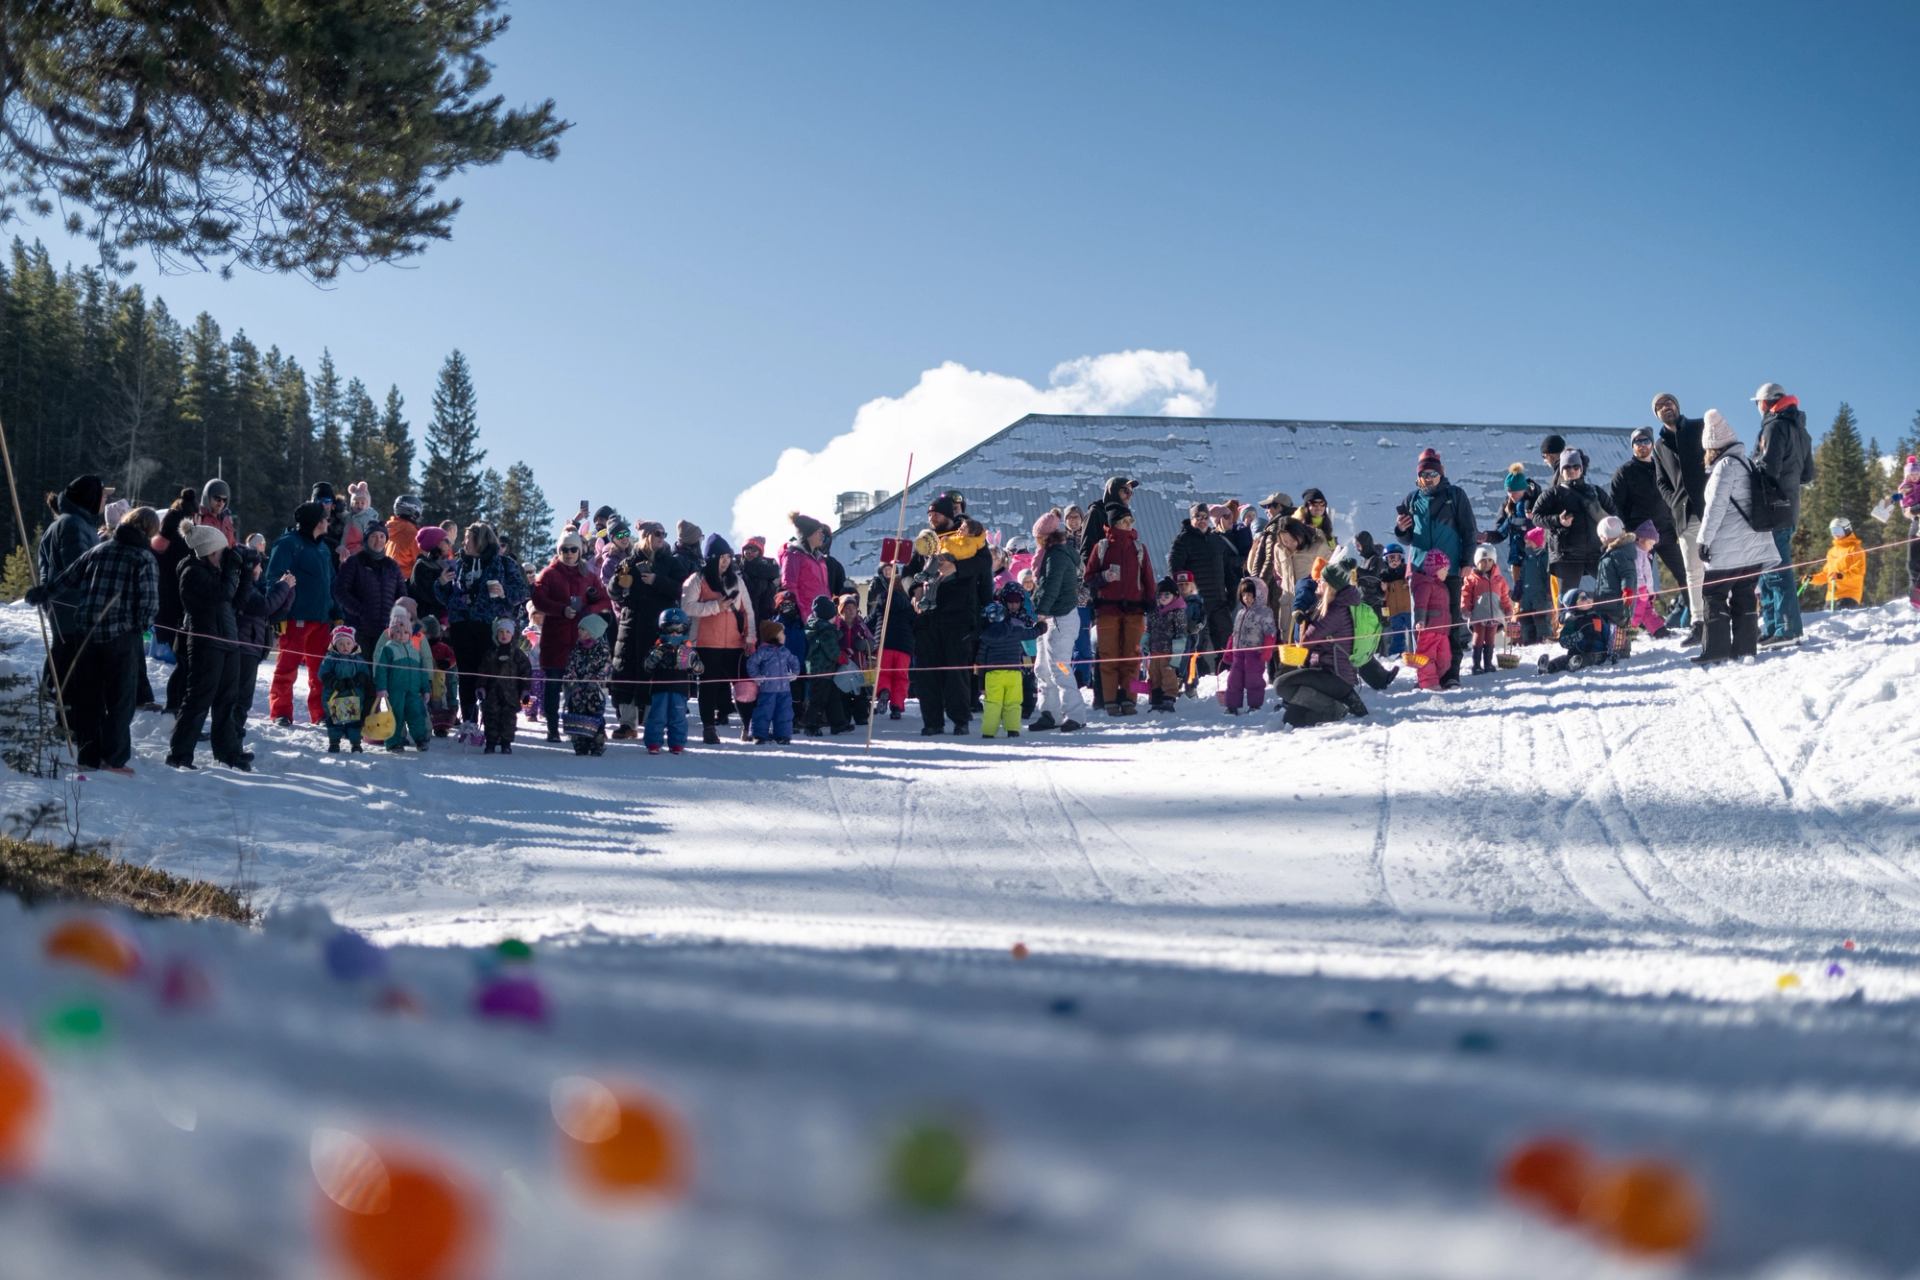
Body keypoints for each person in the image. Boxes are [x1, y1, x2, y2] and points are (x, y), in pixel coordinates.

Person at [25, 505, 157, 773]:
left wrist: (42, 593)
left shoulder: (98, 550)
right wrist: (141, 626)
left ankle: (88, 755)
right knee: (121, 700)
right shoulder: (143, 558)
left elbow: (66, 578)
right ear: (149, 531)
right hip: (121, 637)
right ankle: (114, 758)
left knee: (89, 697)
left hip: (86, 635)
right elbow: (149, 604)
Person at [1694, 408, 1780, 665]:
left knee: (1713, 595)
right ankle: (1745, 648)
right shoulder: (1747, 463)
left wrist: (1703, 540)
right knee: (1744, 595)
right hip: (1754, 546)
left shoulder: (1725, 467)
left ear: (1712, 446)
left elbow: (1715, 508)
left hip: (1727, 549)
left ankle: (1716, 650)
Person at [169, 523, 250, 770]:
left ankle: (229, 752)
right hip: (206, 642)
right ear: (210, 551)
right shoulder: (192, 572)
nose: (224, 556)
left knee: (227, 700)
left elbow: (237, 601)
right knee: (198, 699)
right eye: (221, 552)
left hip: (228, 640)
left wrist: (244, 573)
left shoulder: (216, 572)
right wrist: (232, 570)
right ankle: (180, 754)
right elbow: (222, 594)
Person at [1393, 448, 1477, 688]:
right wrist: (1401, 528)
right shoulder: (1411, 499)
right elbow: (1407, 539)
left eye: (1432, 473)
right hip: (1419, 570)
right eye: (1424, 474)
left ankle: (1450, 672)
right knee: (1420, 623)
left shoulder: (1455, 495)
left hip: (1448, 571)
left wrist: (1467, 562)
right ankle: (1425, 673)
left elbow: (1469, 530)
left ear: (1441, 474)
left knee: (1448, 622)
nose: (1428, 478)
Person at [444, 521, 530, 727]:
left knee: (490, 675)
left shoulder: (504, 563)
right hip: (462, 625)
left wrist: (504, 593)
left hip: (490, 626)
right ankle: (469, 723)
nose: (464, 543)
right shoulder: (458, 563)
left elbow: (524, 592)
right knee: (466, 676)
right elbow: (446, 597)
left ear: (480, 541)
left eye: (468, 539)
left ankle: (492, 722)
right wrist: (441, 584)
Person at [34, 474, 107, 713]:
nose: (105, 501)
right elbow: (76, 568)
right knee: (70, 659)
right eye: (102, 496)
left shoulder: (76, 522)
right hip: (71, 606)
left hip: (66, 605)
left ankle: (58, 701)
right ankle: (65, 715)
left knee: (66, 654)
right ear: (90, 498)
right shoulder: (72, 524)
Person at [532, 531, 613, 741]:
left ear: (580, 551)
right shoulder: (549, 574)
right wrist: (560, 610)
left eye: (572, 549)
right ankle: (552, 728)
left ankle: (578, 728)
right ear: (559, 551)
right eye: (564, 549)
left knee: (578, 688)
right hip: (555, 641)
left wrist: (589, 609)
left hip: (582, 643)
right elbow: (538, 599)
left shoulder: (589, 575)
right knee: (553, 686)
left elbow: (605, 601)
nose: (568, 554)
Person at [1752, 382, 1816, 646]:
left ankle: (1787, 629)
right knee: (1769, 569)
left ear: (1765, 403)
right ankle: (1773, 626)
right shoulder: (1801, 430)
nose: (1757, 408)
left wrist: (1750, 467)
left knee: (1776, 569)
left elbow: (1767, 467)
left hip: (1772, 508)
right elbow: (1808, 475)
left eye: (1757, 403)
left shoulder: (1774, 425)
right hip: (1789, 509)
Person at [265, 500, 338, 726]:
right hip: (295, 617)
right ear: (316, 522)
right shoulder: (288, 544)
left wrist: (337, 612)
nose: (328, 522)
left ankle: (321, 713)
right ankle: (281, 712)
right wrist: (277, 614)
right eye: (325, 519)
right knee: (287, 667)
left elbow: (331, 583)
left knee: (321, 673)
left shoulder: (323, 548)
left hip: (322, 619)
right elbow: (273, 578)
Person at [609, 522, 684, 737]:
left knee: (654, 673)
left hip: (658, 626)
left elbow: (681, 589)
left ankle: (654, 724)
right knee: (625, 671)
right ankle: (627, 724)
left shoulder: (670, 562)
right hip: (630, 624)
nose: (662, 537)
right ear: (646, 536)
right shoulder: (628, 562)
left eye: (664, 533)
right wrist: (618, 583)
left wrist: (657, 581)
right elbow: (612, 592)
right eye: (657, 533)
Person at [681, 533, 754, 744]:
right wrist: (715, 606)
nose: (726, 561)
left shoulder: (736, 580)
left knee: (744, 685)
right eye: (721, 557)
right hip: (706, 642)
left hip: (735, 642)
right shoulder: (697, 580)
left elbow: (747, 610)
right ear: (711, 558)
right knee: (708, 686)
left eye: (728, 557)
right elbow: (687, 607)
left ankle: (748, 725)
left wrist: (751, 638)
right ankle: (709, 728)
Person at [1275, 563, 1369, 726]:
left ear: (1330, 586)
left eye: (1321, 580)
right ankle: (1332, 703)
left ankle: (1338, 706)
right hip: (1323, 671)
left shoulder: (1334, 612)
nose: (1317, 581)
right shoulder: (1328, 605)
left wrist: (1305, 620)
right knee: (1292, 719)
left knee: (1282, 685)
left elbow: (1306, 642)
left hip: (1335, 676)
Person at [1084, 505, 1155, 715]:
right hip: (1107, 610)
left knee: (1132, 657)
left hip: (1134, 611)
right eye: (1123, 521)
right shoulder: (1102, 547)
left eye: (1129, 522)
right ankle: (1110, 700)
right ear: (1114, 524)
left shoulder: (1139, 548)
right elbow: (1089, 578)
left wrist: (1150, 601)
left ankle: (1129, 699)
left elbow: (1148, 579)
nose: (1127, 525)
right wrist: (1105, 577)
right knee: (1108, 657)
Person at [1651, 393, 1709, 643]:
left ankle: (1728, 617)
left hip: (1712, 507)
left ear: (1677, 406)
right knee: (1693, 571)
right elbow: (1661, 481)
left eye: (1669, 403)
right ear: (1656, 414)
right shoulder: (1659, 446)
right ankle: (1699, 623)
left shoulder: (1698, 427)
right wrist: (1674, 501)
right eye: (1660, 407)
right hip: (1685, 515)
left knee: (1723, 566)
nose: (1666, 408)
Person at [1024, 511, 1088, 732]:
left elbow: (1052, 586)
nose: (1036, 540)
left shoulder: (1057, 556)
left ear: (1047, 536)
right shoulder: (1047, 555)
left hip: (1060, 618)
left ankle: (1075, 714)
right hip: (1048, 618)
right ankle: (1049, 713)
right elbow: (1042, 587)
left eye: (1038, 536)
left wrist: (1041, 611)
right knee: (1042, 668)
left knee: (1060, 666)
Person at [1610, 426, 1686, 609]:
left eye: (1645, 441)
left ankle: (1696, 615)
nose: (1642, 445)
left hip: (1666, 531)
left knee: (1685, 572)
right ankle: (1640, 620)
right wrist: (1628, 533)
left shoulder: (1662, 468)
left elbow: (1675, 496)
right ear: (1632, 446)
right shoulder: (1624, 472)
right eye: (1637, 442)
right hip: (1640, 535)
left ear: (1652, 444)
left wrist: (1677, 523)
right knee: (1639, 579)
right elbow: (1616, 505)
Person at [230, 541, 295, 748]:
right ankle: (231, 742)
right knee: (238, 700)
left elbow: (275, 612)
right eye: (257, 565)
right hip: (243, 647)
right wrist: (283, 586)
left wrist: (288, 590)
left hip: (253, 647)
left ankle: (233, 740)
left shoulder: (253, 585)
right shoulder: (242, 586)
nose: (260, 569)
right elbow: (265, 606)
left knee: (243, 700)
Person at [1168, 502, 1234, 678]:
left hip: (1219, 600)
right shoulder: (1183, 541)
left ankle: (1227, 677)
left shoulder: (1216, 540)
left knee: (1226, 641)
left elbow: (1228, 570)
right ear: (1191, 519)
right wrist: (1188, 597)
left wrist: (1232, 594)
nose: (1202, 520)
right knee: (1197, 645)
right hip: (1197, 603)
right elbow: (1176, 571)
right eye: (1198, 517)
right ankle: (1197, 679)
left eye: (1205, 517)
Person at [912, 553, 974, 735]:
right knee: (927, 676)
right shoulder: (921, 560)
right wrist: (914, 591)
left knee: (956, 676)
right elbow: (909, 576)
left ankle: (960, 720)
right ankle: (932, 721)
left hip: (956, 625)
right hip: (926, 625)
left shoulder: (964, 566)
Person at [150, 493, 197, 710]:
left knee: (184, 662)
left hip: (169, 605)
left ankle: (176, 706)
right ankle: (176, 707)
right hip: (176, 606)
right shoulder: (181, 543)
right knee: (185, 663)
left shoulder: (163, 537)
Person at [332, 523, 405, 657]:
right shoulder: (354, 562)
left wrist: (396, 617)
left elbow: (402, 595)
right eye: (374, 536)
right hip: (359, 628)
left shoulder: (392, 565)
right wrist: (359, 611)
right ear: (366, 539)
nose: (378, 540)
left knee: (380, 672)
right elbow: (340, 591)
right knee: (360, 670)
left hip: (385, 629)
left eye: (382, 536)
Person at [975, 600, 1042, 738]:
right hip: (1014, 673)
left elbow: (980, 661)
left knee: (993, 704)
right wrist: (1041, 628)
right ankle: (1013, 729)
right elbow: (1031, 634)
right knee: (1013, 702)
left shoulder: (986, 636)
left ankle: (988, 732)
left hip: (993, 675)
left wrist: (980, 683)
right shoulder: (1016, 630)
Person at [371, 603, 432, 751]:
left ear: (410, 633)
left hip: (413, 691)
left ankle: (420, 739)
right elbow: (381, 670)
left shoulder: (414, 651)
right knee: (395, 716)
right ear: (391, 633)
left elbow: (422, 671)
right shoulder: (388, 649)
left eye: (405, 632)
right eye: (397, 631)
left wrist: (426, 689)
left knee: (416, 714)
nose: (401, 635)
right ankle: (393, 742)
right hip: (395, 691)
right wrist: (381, 688)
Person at [642, 607, 703, 755]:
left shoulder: (688, 649)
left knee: (678, 716)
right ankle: (653, 742)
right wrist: (656, 655)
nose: (674, 634)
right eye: (670, 630)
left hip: (680, 688)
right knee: (657, 715)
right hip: (660, 688)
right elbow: (647, 667)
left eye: (678, 630)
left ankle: (677, 743)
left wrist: (693, 662)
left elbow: (699, 670)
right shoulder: (657, 647)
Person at [477, 616, 531, 754]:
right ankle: (491, 742)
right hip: (492, 694)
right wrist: (481, 687)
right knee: (491, 718)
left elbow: (525, 673)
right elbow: (483, 671)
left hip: (511, 695)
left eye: (507, 632)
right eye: (501, 632)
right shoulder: (490, 653)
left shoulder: (518, 654)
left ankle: (506, 743)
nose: (504, 635)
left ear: (512, 634)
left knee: (509, 719)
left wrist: (525, 691)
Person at [868, 563, 915, 721]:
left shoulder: (882, 600)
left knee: (884, 672)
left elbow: (871, 620)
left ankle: (883, 691)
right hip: (904, 645)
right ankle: (896, 707)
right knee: (900, 676)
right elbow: (915, 623)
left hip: (884, 643)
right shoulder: (908, 604)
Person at [1221, 577, 1275, 714]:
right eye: (1243, 595)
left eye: (1250, 594)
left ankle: (1255, 706)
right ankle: (1232, 706)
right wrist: (1229, 651)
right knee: (1234, 679)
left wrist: (1267, 651)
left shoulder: (1265, 612)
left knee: (1254, 680)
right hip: (1238, 653)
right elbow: (1235, 633)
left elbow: (1270, 633)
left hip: (1255, 654)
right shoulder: (1240, 613)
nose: (1246, 598)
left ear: (1259, 594)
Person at [562, 611, 612, 756]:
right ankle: (579, 743)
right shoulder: (577, 648)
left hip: (593, 691)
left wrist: (594, 678)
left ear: (593, 632)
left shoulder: (602, 650)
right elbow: (570, 664)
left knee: (594, 717)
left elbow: (606, 667)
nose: (579, 631)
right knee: (576, 715)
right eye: (579, 628)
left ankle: (597, 743)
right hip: (577, 691)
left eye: (583, 629)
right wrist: (570, 677)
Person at [318, 626, 374, 754]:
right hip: (335, 695)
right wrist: (334, 682)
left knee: (354, 722)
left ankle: (355, 743)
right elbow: (323, 673)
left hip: (353, 695)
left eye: (348, 643)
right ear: (334, 644)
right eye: (341, 643)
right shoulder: (330, 659)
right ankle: (334, 742)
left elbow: (365, 674)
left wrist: (357, 680)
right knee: (334, 721)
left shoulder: (358, 660)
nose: (345, 646)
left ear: (353, 644)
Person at [801, 595, 852, 735]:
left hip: (815, 669)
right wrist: (840, 656)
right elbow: (831, 650)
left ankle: (838, 722)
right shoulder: (826, 631)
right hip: (823, 670)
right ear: (828, 615)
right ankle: (810, 725)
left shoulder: (813, 627)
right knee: (819, 698)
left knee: (832, 695)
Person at [1461, 544, 1514, 675]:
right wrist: (1465, 608)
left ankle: (1488, 663)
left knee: (1490, 638)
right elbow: (1466, 595)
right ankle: (1476, 664)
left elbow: (1504, 596)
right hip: (1478, 616)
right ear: (1477, 562)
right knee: (1478, 637)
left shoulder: (1499, 579)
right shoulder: (1471, 579)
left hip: (1494, 615)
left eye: (1490, 560)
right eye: (1483, 561)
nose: (1487, 563)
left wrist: (1508, 609)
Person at [1537, 589, 1616, 675]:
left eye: (1588, 596)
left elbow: (1607, 634)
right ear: (1574, 605)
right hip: (1577, 652)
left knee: (1584, 659)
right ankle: (1547, 667)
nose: (1588, 599)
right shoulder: (1572, 621)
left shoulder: (1596, 617)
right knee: (1563, 659)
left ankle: (1573, 664)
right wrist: (1573, 638)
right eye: (1583, 598)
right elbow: (1563, 640)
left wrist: (1611, 651)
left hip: (1598, 654)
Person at [746, 619, 800, 744]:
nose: (785, 636)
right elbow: (752, 663)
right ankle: (759, 735)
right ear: (774, 636)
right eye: (782, 633)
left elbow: (794, 661)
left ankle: (783, 736)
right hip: (767, 690)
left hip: (784, 690)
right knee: (764, 713)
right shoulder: (764, 651)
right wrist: (756, 676)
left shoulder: (784, 651)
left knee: (784, 713)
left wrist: (794, 674)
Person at [1409, 549, 1452, 691]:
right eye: (1444, 569)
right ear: (1435, 569)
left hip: (1442, 631)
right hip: (1429, 629)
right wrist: (1420, 620)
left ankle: (1431, 679)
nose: (1447, 572)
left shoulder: (1441, 586)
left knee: (1445, 659)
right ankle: (1428, 684)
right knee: (1426, 657)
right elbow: (1420, 605)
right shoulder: (1425, 585)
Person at [1142, 577, 1185, 712]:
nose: (1163, 597)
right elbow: (1149, 629)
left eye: (1167, 594)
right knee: (1154, 676)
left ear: (1175, 595)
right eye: (1161, 595)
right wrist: (1144, 642)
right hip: (1155, 652)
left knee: (1168, 676)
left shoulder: (1177, 612)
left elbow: (1181, 634)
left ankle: (1168, 699)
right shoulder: (1153, 613)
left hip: (1169, 652)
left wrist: (1177, 655)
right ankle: (1156, 699)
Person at [1591, 515, 1638, 631]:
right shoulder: (1612, 552)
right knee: (1601, 629)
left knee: (1611, 631)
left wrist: (1627, 591)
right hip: (1606, 602)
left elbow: (1628, 574)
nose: (1600, 539)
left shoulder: (1618, 554)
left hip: (1615, 605)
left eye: (1601, 536)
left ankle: (1616, 646)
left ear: (1605, 537)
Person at [1809, 518, 1865, 611]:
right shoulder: (1832, 551)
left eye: (1838, 530)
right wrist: (1812, 579)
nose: (1836, 534)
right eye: (1833, 531)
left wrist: (1840, 575)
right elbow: (1827, 575)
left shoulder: (1855, 550)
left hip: (1848, 596)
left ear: (1847, 530)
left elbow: (1858, 573)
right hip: (1831, 598)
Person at [420, 616, 460, 738]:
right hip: (425, 681)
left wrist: (447, 663)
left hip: (440, 682)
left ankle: (442, 726)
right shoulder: (420, 647)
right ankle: (424, 724)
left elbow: (453, 658)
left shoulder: (443, 647)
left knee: (440, 703)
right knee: (426, 703)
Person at [1079, 477, 1135, 557]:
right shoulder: (1095, 513)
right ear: (1113, 490)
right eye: (1126, 491)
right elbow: (1086, 551)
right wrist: (1097, 569)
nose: (1129, 496)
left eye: (1131, 493)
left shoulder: (1125, 516)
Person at [1515, 526, 1553, 644]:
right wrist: (1518, 588)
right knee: (1525, 618)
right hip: (1527, 596)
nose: (1527, 546)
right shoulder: (1527, 559)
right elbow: (1522, 575)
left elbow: (1548, 575)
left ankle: (1542, 640)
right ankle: (1528, 641)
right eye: (1526, 543)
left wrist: (1549, 591)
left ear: (1537, 542)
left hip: (1540, 596)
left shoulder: (1543, 557)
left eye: (1529, 543)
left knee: (1540, 619)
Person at [408, 525, 453, 621]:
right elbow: (427, 595)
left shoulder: (442, 565)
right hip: (425, 621)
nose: (449, 544)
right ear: (435, 543)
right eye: (446, 540)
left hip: (442, 621)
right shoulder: (421, 566)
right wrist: (440, 583)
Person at [1379, 542, 1413, 657]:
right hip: (1393, 610)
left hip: (1408, 608)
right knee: (1397, 632)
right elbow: (1382, 597)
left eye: (1397, 558)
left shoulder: (1406, 572)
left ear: (1401, 558)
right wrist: (1383, 590)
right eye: (1390, 558)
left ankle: (1417, 648)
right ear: (1386, 560)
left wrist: (1408, 584)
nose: (1394, 561)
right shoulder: (1384, 575)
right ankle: (1396, 652)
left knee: (1413, 629)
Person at [739, 535, 781, 626]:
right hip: (742, 618)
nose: (750, 552)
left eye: (754, 550)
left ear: (760, 552)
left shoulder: (770, 569)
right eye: (747, 549)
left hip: (765, 617)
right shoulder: (737, 568)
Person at [339, 482, 382, 559]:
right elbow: (342, 516)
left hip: (360, 551)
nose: (359, 505)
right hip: (345, 550)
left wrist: (363, 549)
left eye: (362, 503)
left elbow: (370, 536)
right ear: (352, 504)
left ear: (367, 504)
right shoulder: (349, 516)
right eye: (356, 503)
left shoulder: (368, 518)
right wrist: (337, 511)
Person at [386, 493, 424, 578]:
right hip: (406, 582)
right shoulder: (413, 534)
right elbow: (421, 562)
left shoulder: (389, 529)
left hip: (387, 579)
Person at [196, 478, 236, 547]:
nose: (221, 503)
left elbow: (232, 544)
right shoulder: (198, 517)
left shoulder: (226, 519)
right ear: (207, 497)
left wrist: (244, 551)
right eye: (217, 499)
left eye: (224, 500)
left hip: (226, 557)